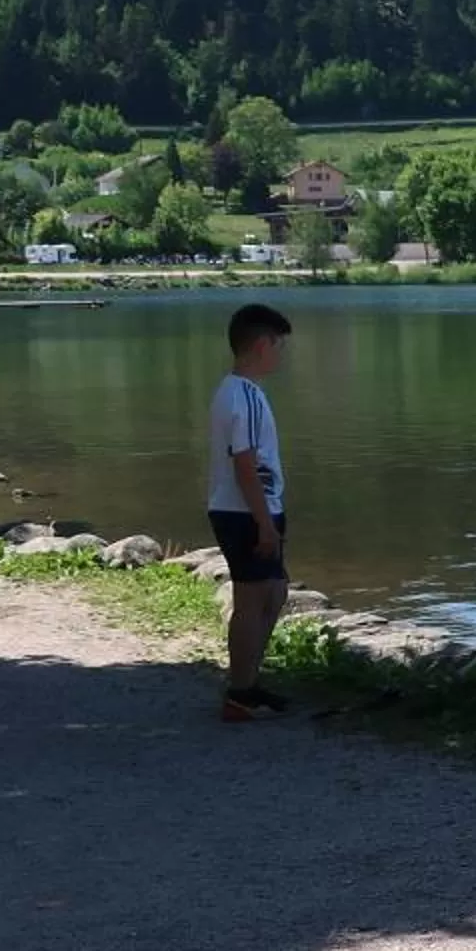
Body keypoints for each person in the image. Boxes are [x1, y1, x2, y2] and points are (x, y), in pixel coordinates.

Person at [209, 301, 293, 723]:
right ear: (261, 345)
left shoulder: (233, 390)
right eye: (278, 346)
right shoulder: (246, 397)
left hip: (240, 509)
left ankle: (248, 684)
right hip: (248, 512)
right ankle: (240, 693)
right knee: (253, 598)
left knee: (274, 593)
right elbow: (246, 464)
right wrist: (264, 523)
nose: (280, 355)